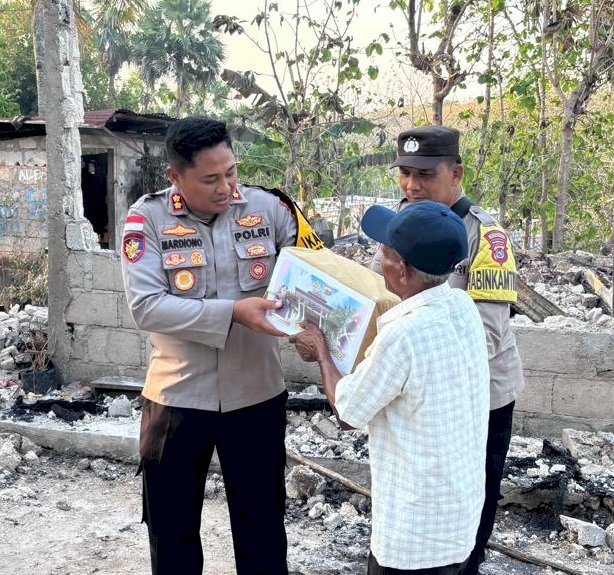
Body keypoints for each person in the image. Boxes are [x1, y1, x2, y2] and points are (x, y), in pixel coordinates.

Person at [121, 116, 299, 575]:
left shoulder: (272, 210)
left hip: (257, 397)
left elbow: (313, 274)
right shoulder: (147, 219)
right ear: (175, 176)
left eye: (231, 172)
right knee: (173, 533)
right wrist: (234, 312)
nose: (226, 187)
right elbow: (147, 308)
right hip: (177, 400)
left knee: (262, 531)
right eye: (210, 178)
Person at [291, 201, 491, 575]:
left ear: (401, 269)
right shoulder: (461, 305)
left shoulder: (403, 335)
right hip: (458, 519)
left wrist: (322, 352)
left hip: (414, 537)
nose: (377, 258)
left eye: (382, 251)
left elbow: (349, 412)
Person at [371, 126, 526, 575]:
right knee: (416, 499)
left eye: (424, 175)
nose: (412, 186)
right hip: (415, 394)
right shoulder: (399, 221)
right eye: (404, 174)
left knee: (468, 509)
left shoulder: (485, 236)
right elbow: (382, 294)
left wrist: (412, 355)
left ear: (455, 172)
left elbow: (487, 335)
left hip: (478, 399)